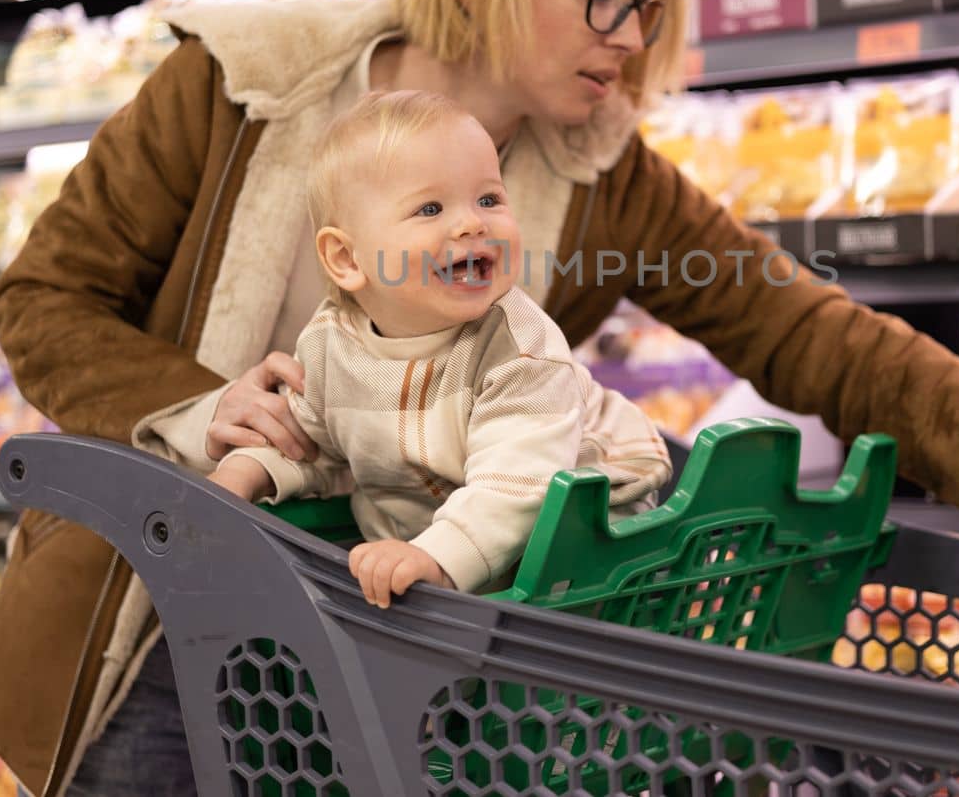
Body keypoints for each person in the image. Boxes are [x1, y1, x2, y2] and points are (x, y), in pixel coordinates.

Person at [0, 0, 959, 797]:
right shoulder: (240, 88)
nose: (629, 34)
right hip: (156, 618)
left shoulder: (603, 180)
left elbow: (806, 330)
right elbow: (44, 297)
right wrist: (201, 408)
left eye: (648, 2)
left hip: (409, 645)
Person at [202, 90, 672, 606]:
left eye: (489, 199)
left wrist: (437, 558)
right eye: (430, 208)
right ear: (345, 258)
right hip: (445, 539)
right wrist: (240, 476)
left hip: (594, 528)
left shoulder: (519, 350)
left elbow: (518, 488)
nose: (473, 223)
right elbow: (309, 439)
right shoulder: (331, 344)